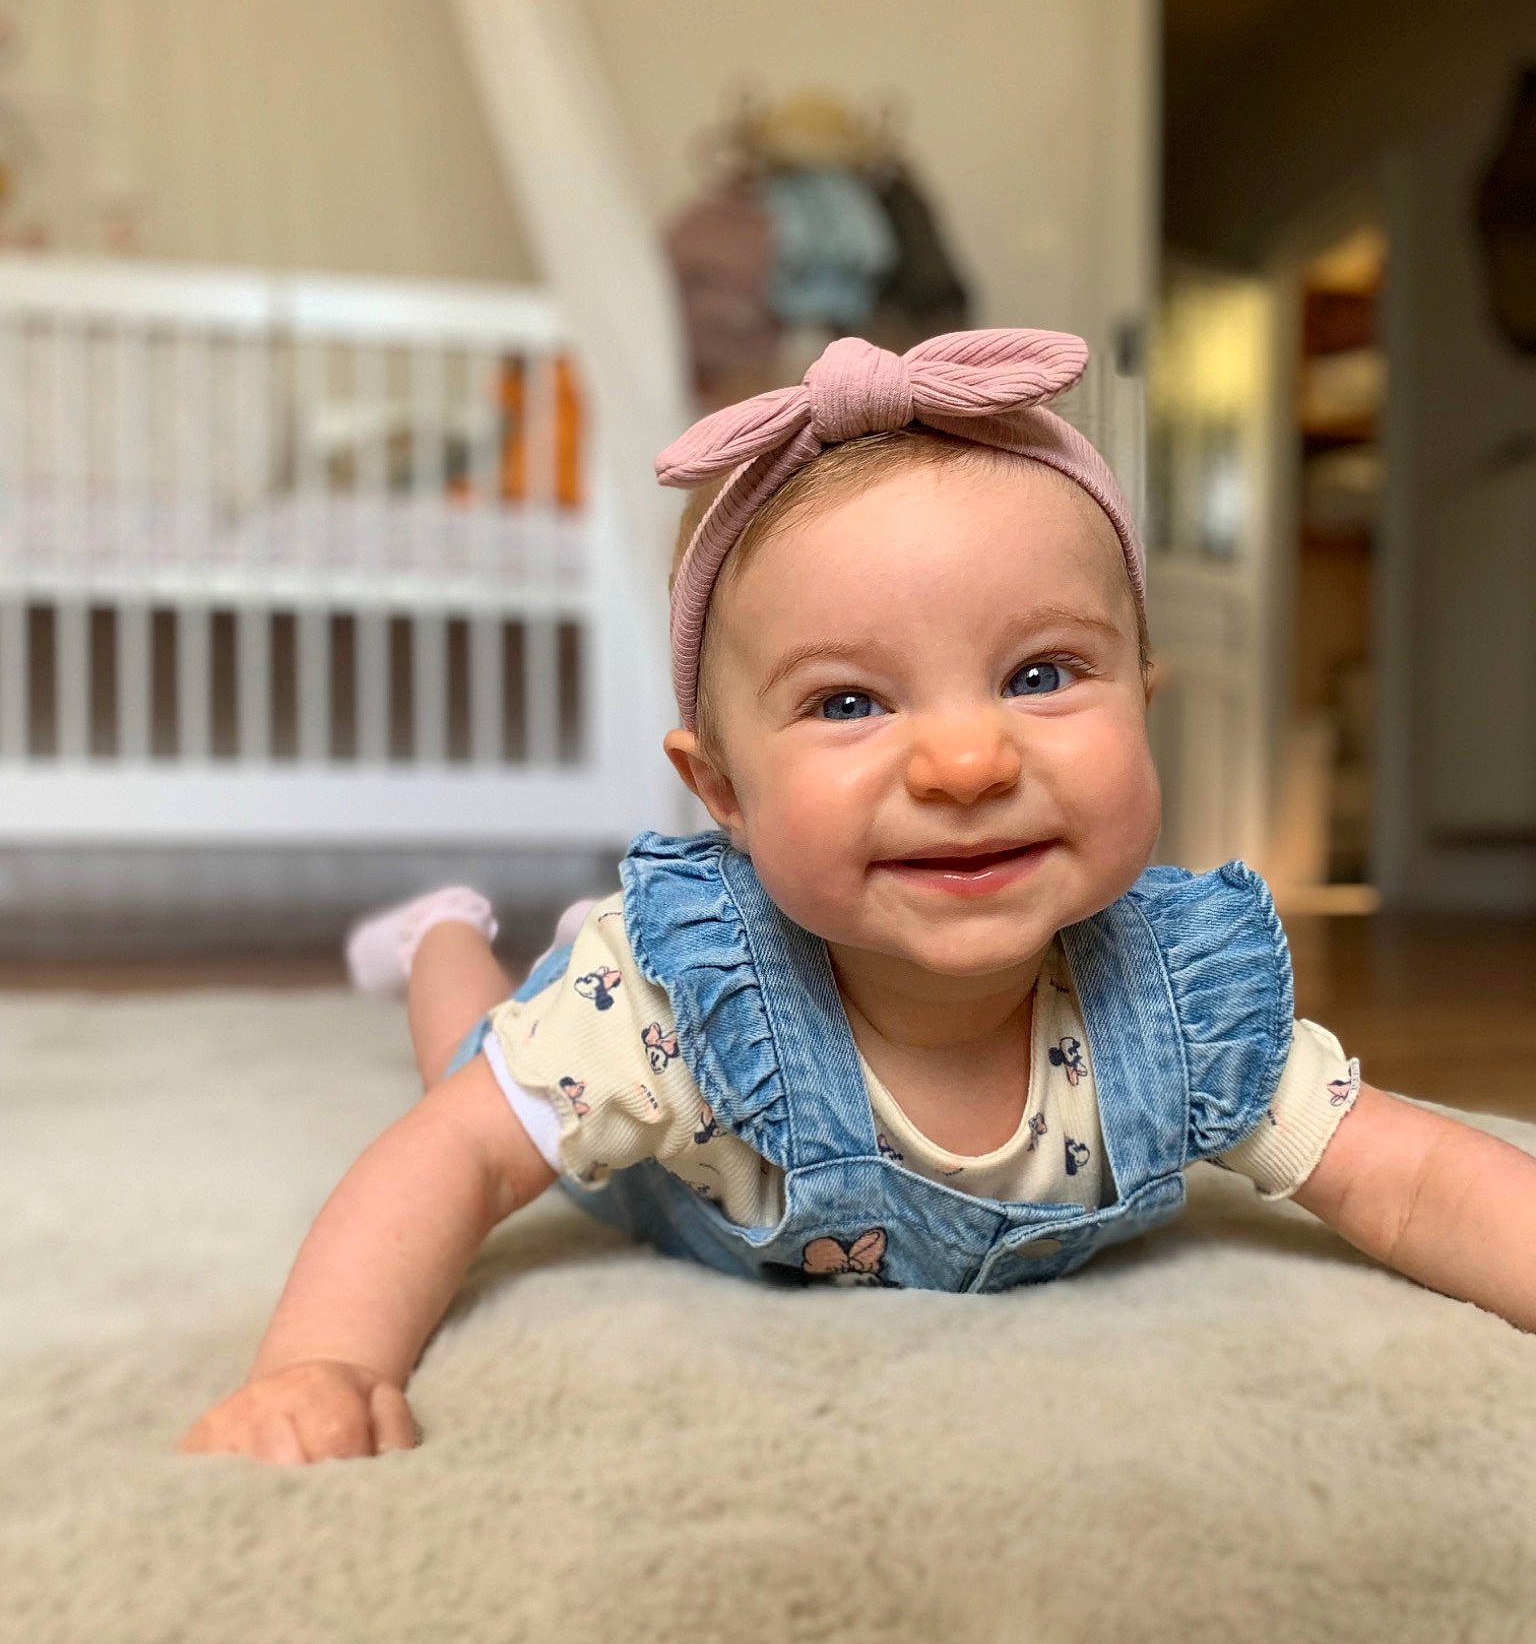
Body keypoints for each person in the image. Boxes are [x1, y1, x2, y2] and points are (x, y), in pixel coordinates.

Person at [181, 329, 1536, 1465]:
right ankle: (440, 939)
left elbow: (1412, 1180)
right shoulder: (660, 1003)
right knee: (467, 1075)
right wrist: (320, 1361)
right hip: (654, 1120)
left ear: (1146, 703)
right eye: (846, 701)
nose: (963, 762)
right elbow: (458, 1161)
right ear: (722, 791)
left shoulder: (1179, 1002)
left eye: (1044, 675)